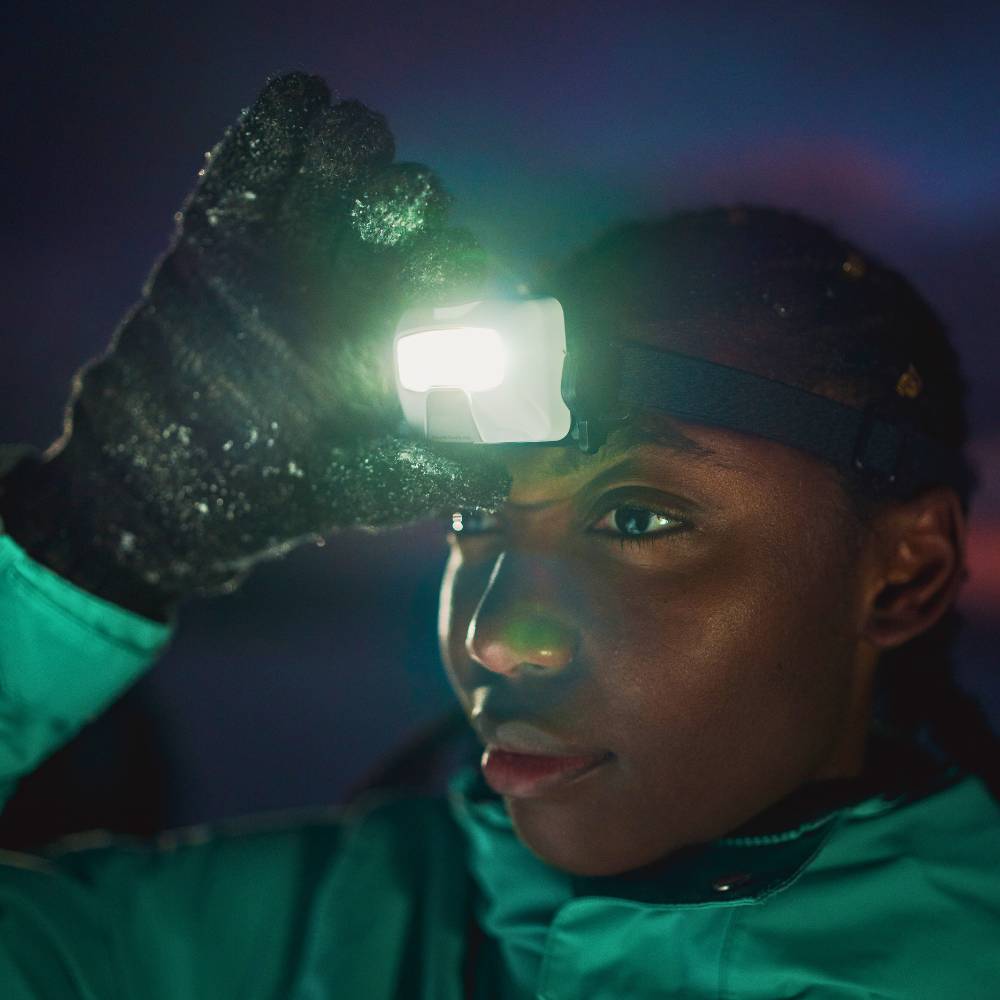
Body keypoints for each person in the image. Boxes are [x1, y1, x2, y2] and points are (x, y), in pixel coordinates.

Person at [0, 72, 997, 999]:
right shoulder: (339, 917)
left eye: (638, 517)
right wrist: (94, 535)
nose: (495, 636)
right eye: (474, 514)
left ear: (903, 576)